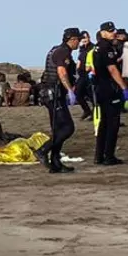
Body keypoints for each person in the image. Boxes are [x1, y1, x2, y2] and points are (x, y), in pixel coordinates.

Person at [37, 28, 81, 173]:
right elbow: (61, 72)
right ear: (72, 39)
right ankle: (43, 149)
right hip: (54, 94)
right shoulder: (63, 52)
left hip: (50, 93)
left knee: (58, 129)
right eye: (78, 40)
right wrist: (69, 90)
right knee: (68, 128)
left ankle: (55, 163)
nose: (79, 43)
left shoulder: (56, 50)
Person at [90, 22, 128, 165]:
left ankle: (99, 155)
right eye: (110, 31)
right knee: (113, 123)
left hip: (100, 87)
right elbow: (112, 69)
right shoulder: (106, 47)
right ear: (102, 32)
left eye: (114, 30)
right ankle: (109, 156)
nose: (113, 33)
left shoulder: (97, 47)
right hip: (109, 88)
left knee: (103, 122)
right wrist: (124, 87)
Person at [75, 31, 95, 120]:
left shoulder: (93, 47)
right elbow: (79, 60)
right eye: (82, 38)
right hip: (81, 75)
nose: (84, 39)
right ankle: (87, 111)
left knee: (91, 95)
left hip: (89, 74)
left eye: (86, 37)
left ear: (89, 37)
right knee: (78, 94)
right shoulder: (82, 48)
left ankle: (94, 113)